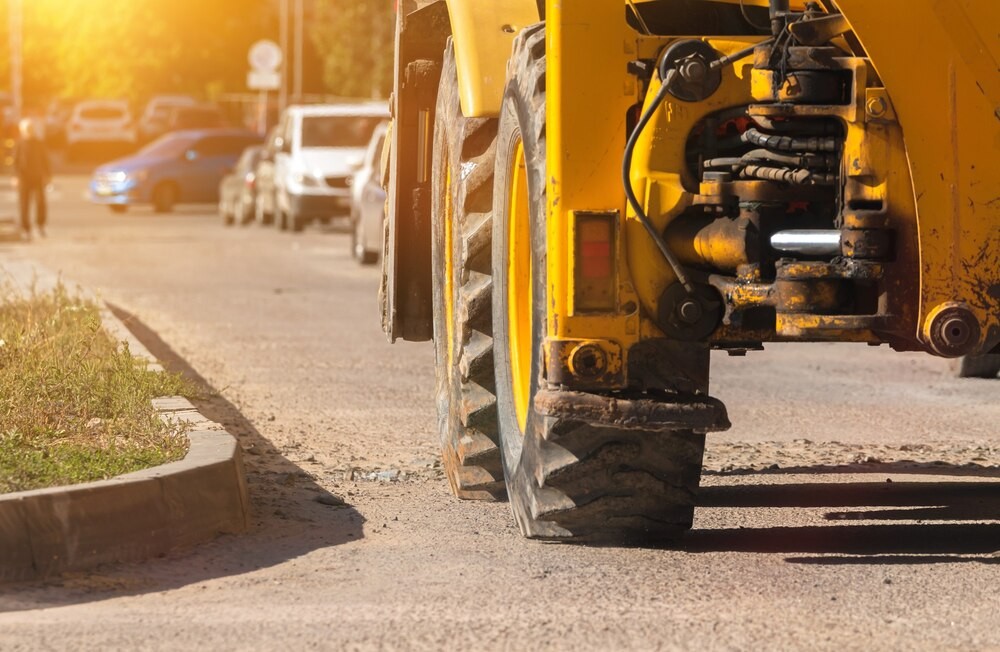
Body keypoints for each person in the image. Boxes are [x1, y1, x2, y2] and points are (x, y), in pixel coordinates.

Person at [13, 118, 51, 241]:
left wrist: (48, 175)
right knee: (24, 204)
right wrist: (15, 177)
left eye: (31, 129)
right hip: (23, 177)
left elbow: (45, 160)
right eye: (27, 129)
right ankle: (26, 228)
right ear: (22, 131)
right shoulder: (19, 143)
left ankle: (41, 225)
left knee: (41, 202)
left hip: (38, 176)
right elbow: (15, 161)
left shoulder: (39, 143)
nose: (29, 131)